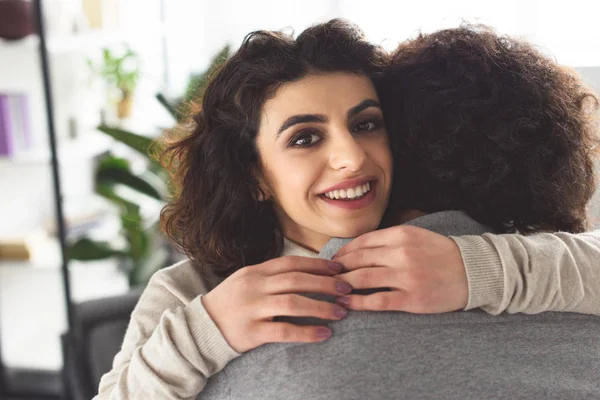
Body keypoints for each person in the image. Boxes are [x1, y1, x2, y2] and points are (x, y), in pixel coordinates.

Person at [94, 20, 600, 399]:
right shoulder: (192, 289)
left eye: (366, 125)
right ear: (254, 175)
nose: (352, 158)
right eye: (305, 138)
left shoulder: (467, 238)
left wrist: (480, 269)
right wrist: (208, 330)